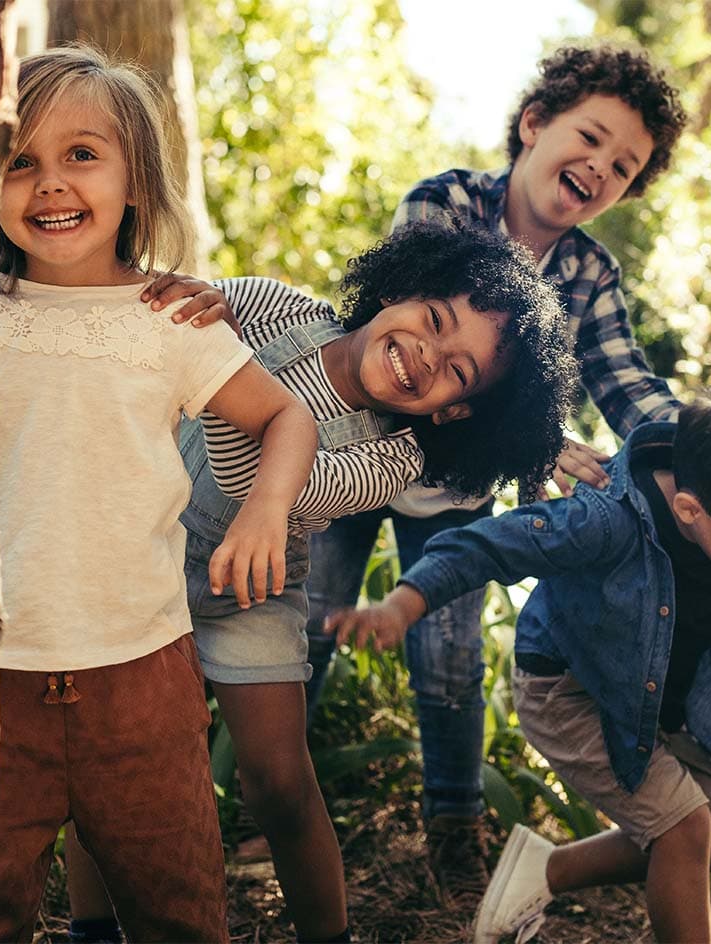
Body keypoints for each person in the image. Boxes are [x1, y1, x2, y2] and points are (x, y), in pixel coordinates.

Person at [65, 220, 580, 942]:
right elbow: (180, 313)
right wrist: (189, 306)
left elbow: (268, 488)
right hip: (134, 558)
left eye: (458, 372)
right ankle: (92, 928)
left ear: (455, 411)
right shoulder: (280, 311)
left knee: (278, 782)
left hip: (253, 588)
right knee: (107, 756)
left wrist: (215, 368)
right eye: (433, 319)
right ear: (399, 290)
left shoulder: (392, 459)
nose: (426, 355)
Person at [303, 41, 690, 902]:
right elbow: (388, 331)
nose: (599, 166)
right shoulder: (443, 205)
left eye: (623, 166)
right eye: (589, 138)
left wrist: (701, 448)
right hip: (351, 453)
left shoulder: (589, 271)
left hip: (453, 492)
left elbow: (626, 381)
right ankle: (271, 797)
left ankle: (453, 827)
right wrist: (535, 435)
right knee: (308, 624)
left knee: (448, 655)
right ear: (534, 124)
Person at [326, 383, 711, 944]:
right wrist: (403, 602)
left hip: (652, 701)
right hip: (567, 694)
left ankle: (546, 870)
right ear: (689, 509)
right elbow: (491, 545)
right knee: (685, 830)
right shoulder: (606, 518)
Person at [0, 45, 319, 944]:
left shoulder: (173, 321)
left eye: (82, 155)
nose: (50, 184)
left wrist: (262, 515)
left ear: (137, 180)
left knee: (177, 907)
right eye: (21, 161)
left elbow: (288, 417)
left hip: (142, 675)